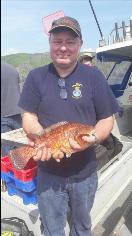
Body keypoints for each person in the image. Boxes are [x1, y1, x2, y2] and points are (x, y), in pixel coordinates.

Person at [18, 16, 120, 236]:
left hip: (85, 175)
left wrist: (92, 139)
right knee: (52, 229)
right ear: (50, 44)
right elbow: (28, 116)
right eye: (57, 41)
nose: (63, 47)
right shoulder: (36, 77)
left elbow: (106, 119)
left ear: (80, 44)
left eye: (70, 42)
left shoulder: (94, 76)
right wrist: (41, 137)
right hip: (48, 175)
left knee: (82, 227)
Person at [1, 63, 22, 156]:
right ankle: (25, 168)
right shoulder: (13, 69)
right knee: (22, 144)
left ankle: (12, 170)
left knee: (8, 148)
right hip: (19, 112)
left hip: (3, 114)